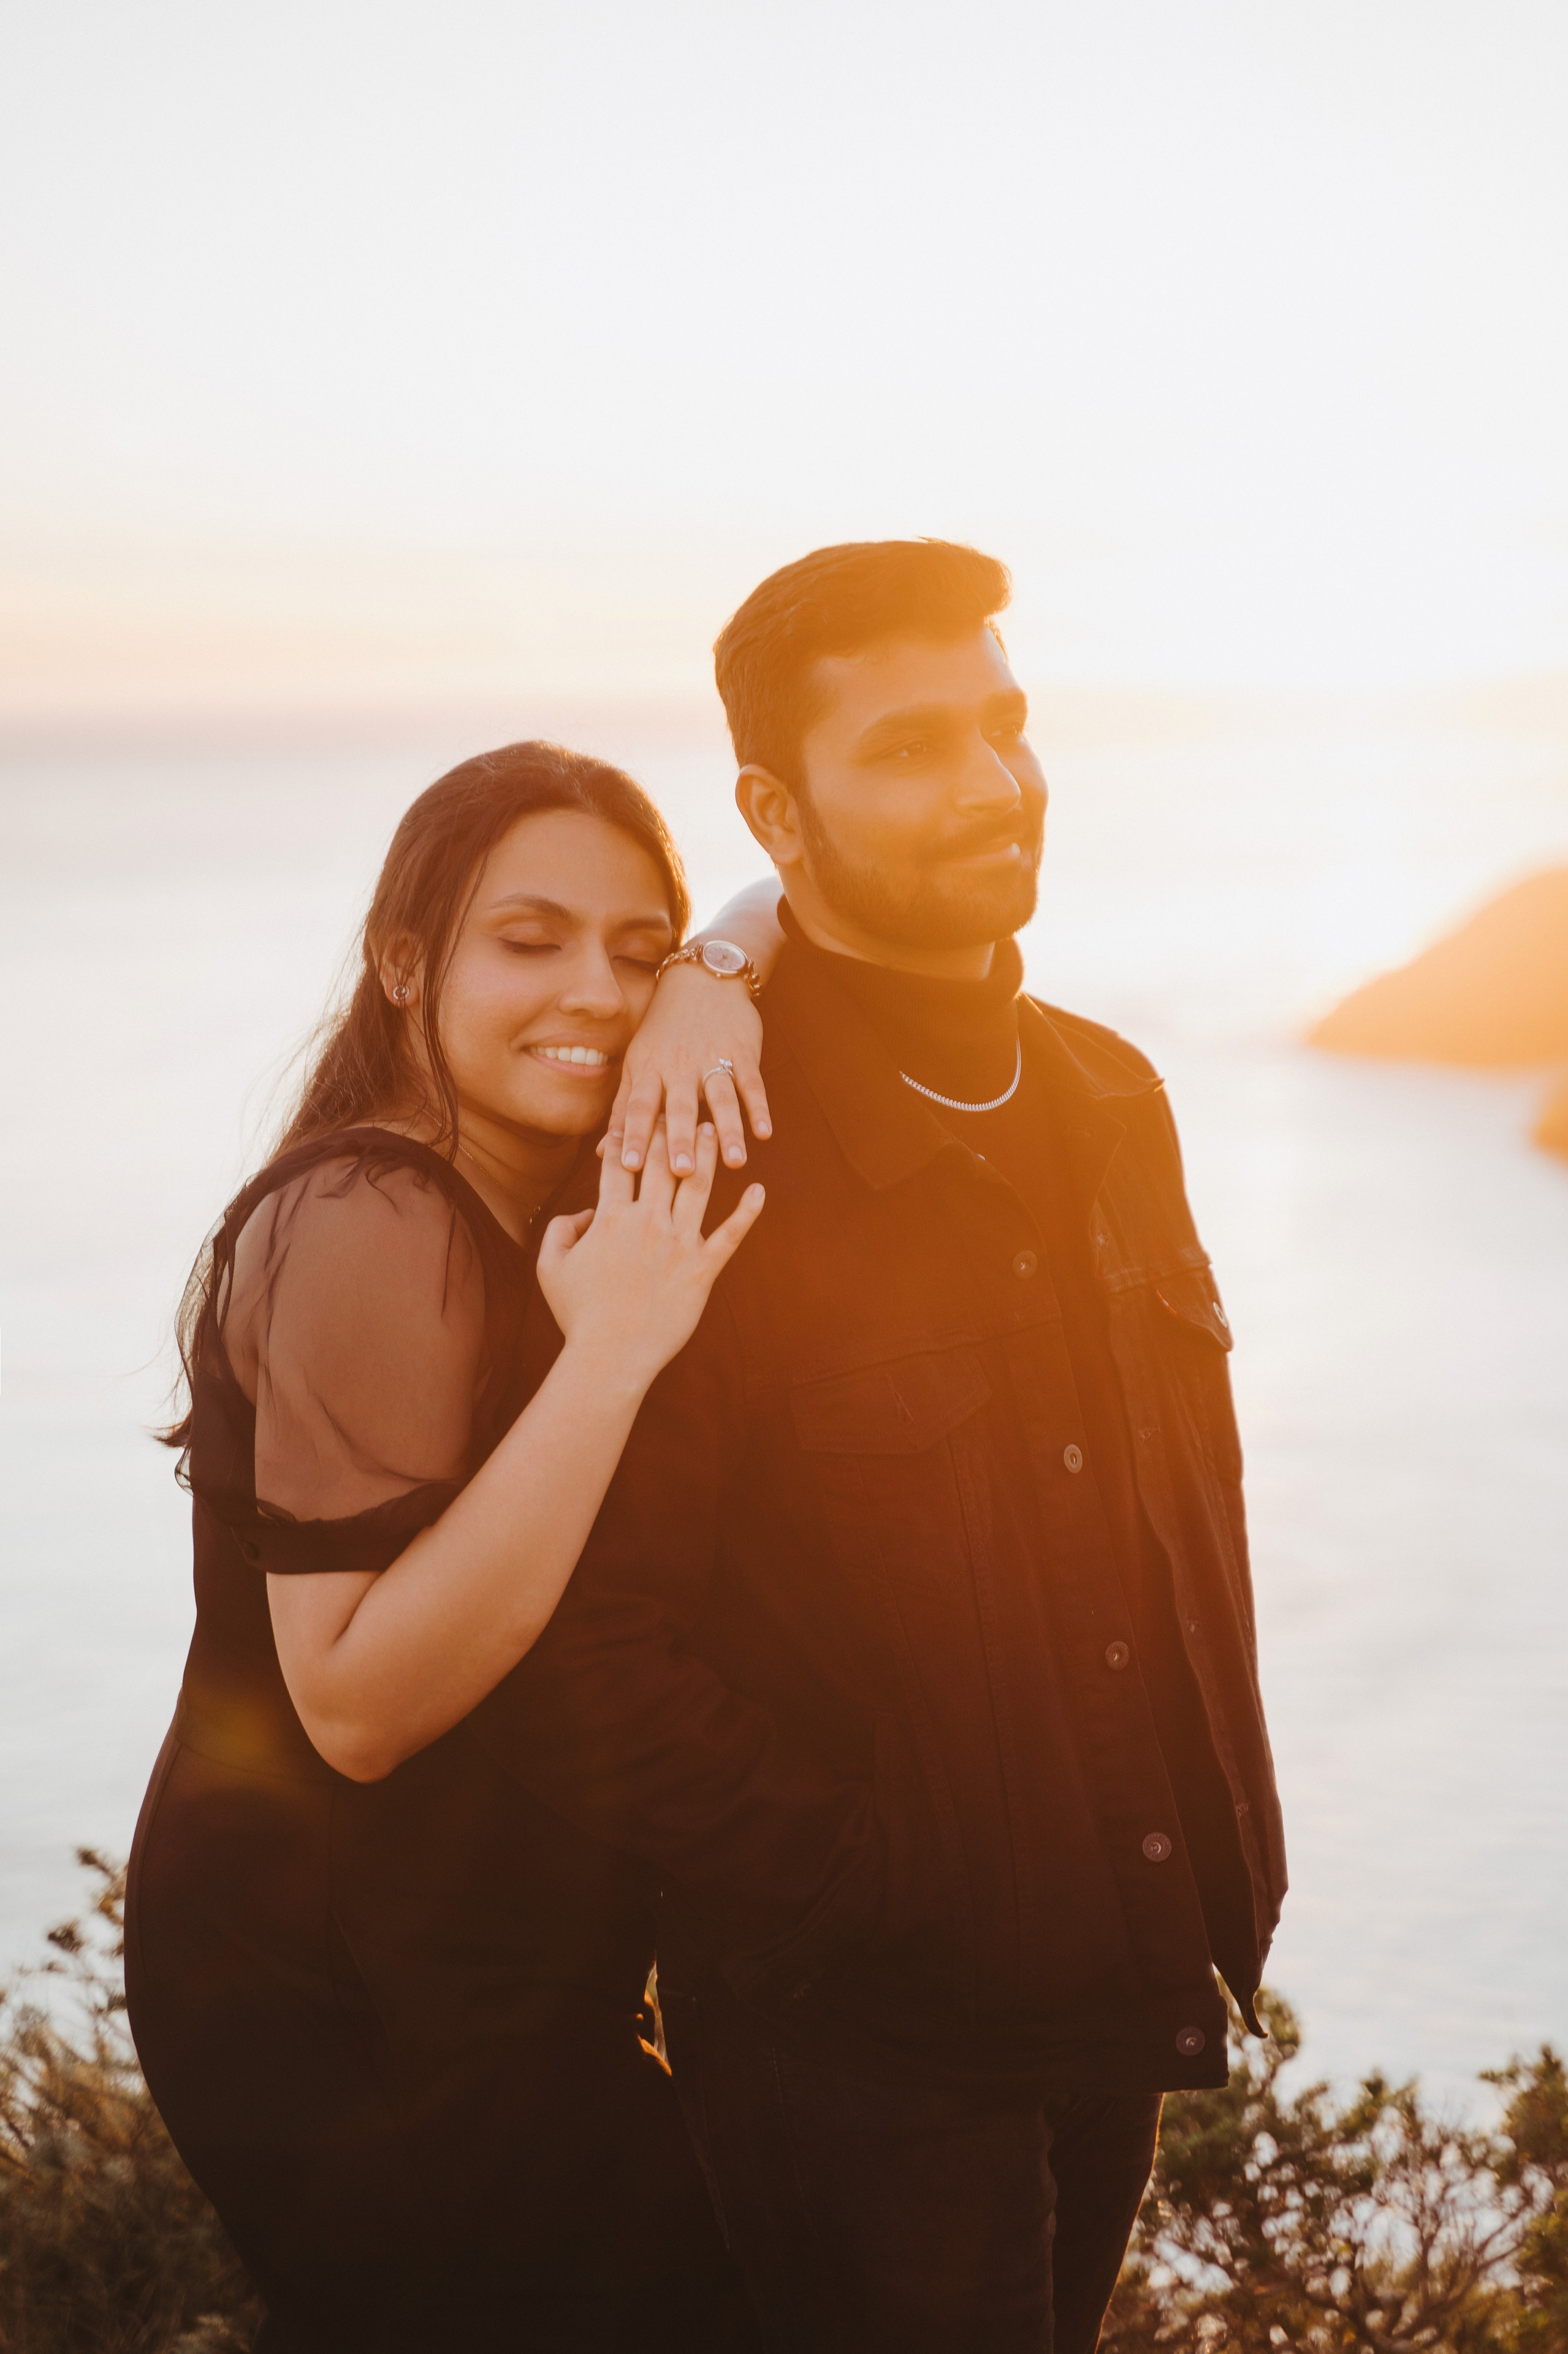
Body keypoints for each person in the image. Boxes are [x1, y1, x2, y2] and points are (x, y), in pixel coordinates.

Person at [471, 543, 1288, 2352]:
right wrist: (887, 1889)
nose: (993, 785)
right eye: (909, 749)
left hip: (1117, 1993)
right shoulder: (704, 1151)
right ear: (776, 806)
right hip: (872, 2057)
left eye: (1002, 728)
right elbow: (587, 1650)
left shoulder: (1113, 1097)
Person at [124, 739, 784, 2352]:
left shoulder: (514, 1202)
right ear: (405, 964)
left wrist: (716, 971)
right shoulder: (370, 1215)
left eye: (633, 948)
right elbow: (353, 1706)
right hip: (338, 1987)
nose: (598, 994)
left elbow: (787, 893)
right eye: (530, 939)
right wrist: (615, 1355)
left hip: (491, 1954)